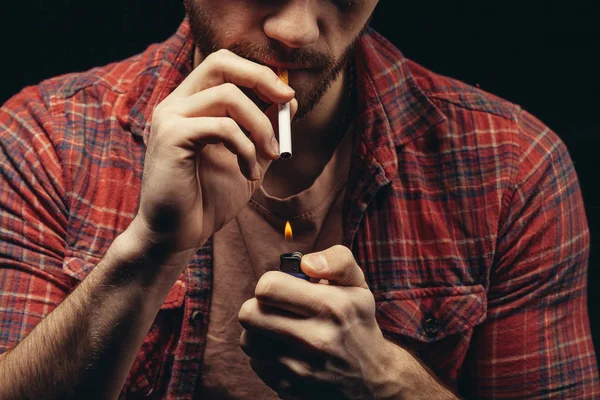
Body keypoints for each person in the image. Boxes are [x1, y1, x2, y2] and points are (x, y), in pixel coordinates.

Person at [0, 0, 598, 398]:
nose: (294, 30)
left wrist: (385, 380)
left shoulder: (513, 166)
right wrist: (147, 253)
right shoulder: (45, 138)